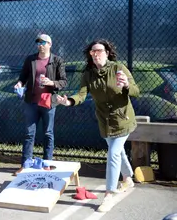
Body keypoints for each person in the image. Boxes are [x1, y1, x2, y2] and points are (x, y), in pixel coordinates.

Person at [56, 39, 139, 212]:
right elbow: (81, 94)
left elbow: (136, 91)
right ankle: (128, 178)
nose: (95, 54)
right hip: (105, 121)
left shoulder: (119, 68)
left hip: (123, 119)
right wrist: (69, 101)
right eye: (92, 52)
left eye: (99, 51)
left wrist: (126, 86)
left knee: (113, 153)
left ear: (107, 52)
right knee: (119, 151)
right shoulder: (88, 74)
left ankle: (109, 194)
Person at [13, 34, 67, 176]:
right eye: (38, 42)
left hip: (48, 102)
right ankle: (25, 165)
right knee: (29, 134)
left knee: (48, 133)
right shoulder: (30, 59)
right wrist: (19, 84)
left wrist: (52, 83)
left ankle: (47, 165)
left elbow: (63, 81)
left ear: (50, 44)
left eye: (43, 42)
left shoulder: (57, 60)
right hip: (31, 102)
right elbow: (22, 77)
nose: (40, 44)